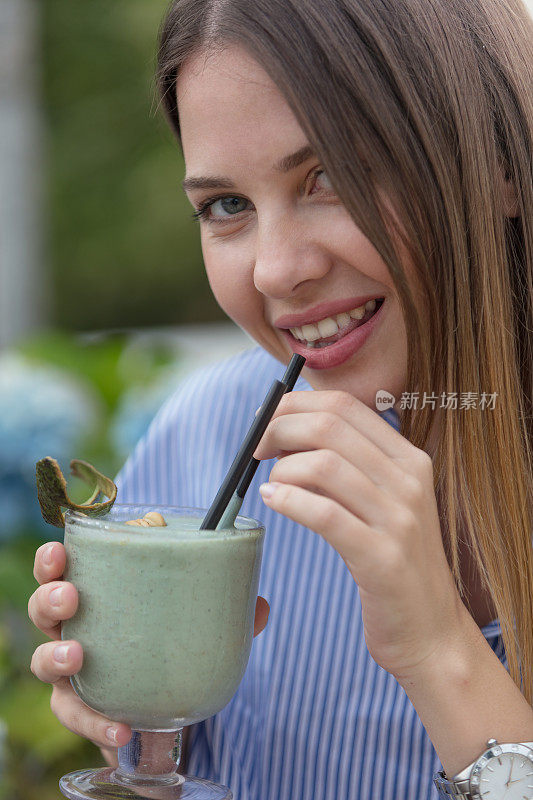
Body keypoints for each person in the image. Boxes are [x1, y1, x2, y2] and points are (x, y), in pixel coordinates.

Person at [28, 0, 533, 797]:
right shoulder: (207, 433)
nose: (273, 271)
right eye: (225, 206)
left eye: (329, 174)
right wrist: (139, 729)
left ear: (500, 165)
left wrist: (438, 650)